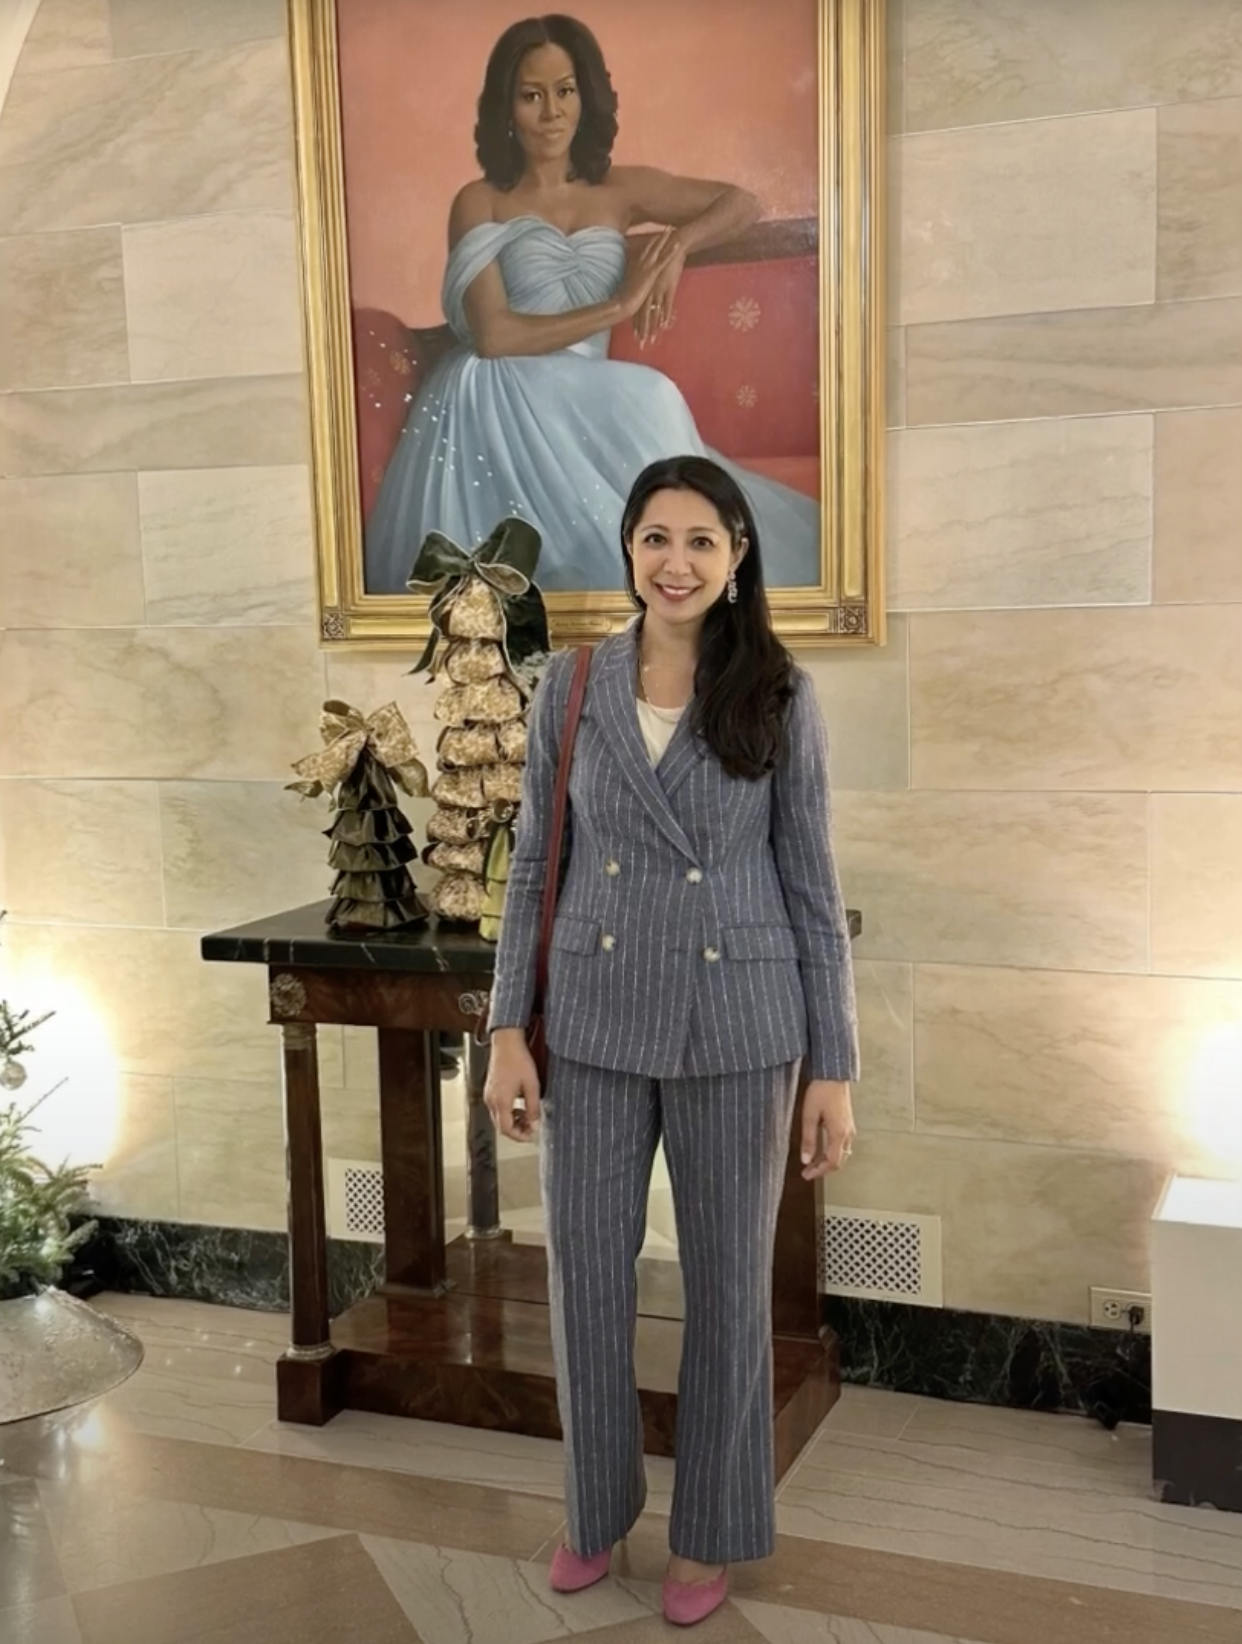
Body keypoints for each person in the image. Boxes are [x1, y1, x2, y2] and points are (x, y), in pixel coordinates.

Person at [484, 455, 859, 1627]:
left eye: (702, 540)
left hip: (739, 1023)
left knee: (730, 1291)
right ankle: (593, 1510)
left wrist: (834, 1067)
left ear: (738, 555)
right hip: (593, 1019)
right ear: (629, 548)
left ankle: (711, 1533)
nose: (677, 562)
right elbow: (533, 868)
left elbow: (812, 887)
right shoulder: (571, 683)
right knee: (584, 1281)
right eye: (656, 537)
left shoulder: (778, 692)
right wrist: (506, 1029)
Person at [364, 14, 821, 597]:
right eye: (531, 95)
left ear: (586, 97)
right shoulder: (479, 200)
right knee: (650, 394)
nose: (551, 112)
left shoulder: (618, 189)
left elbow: (743, 203)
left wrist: (679, 243)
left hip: (581, 386)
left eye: (565, 91)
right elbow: (494, 336)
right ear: (506, 108)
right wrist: (619, 305)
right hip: (495, 387)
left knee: (649, 401)